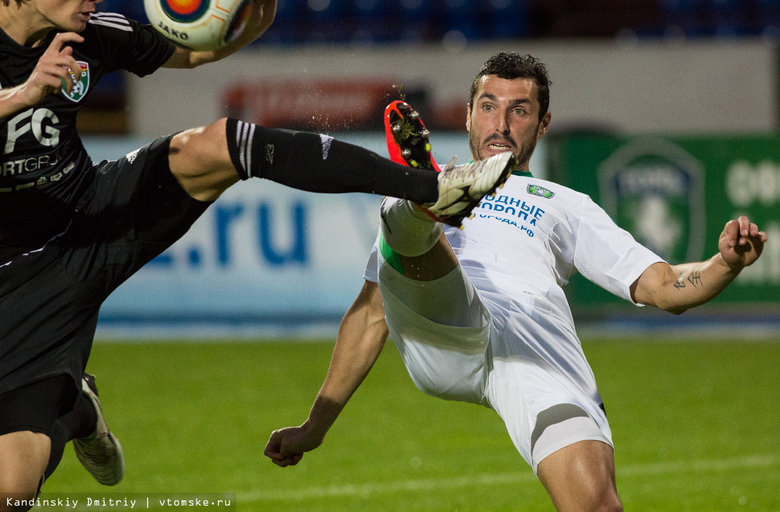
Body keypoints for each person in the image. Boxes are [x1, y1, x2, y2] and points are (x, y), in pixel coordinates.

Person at [0, 0, 517, 506]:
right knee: (10, 489)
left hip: (93, 216)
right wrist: (21, 95)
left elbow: (193, 51)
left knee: (222, 144)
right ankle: (75, 409)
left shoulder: (91, 36)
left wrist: (255, 18)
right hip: (17, 280)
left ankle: (432, 189)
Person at [264, 52, 768, 512]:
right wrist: (315, 426)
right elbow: (372, 313)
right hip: (441, 327)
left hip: (529, 345)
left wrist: (725, 264)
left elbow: (661, 286)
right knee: (407, 224)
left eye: (519, 111)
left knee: (597, 505)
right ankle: (420, 195)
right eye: (487, 106)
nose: (500, 124)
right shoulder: (447, 187)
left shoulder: (564, 203)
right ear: (466, 115)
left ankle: (420, 195)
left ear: (543, 123)